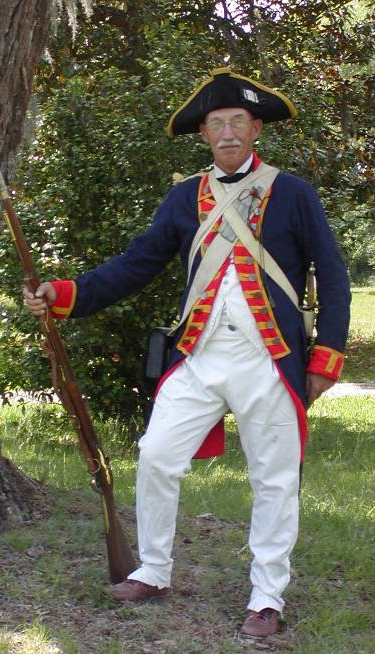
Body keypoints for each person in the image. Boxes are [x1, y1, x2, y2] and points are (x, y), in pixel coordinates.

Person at [24, 68, 351, 638]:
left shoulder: (293, 192)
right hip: (199, 356)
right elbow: (136, 264)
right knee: (155, 455)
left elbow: (334, 274)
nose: (227, 132)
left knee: (275, 479)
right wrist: (67, 294)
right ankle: (153, 569)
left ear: (255, 130)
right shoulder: (184, 198)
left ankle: (266, 596)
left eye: (238, 122)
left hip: (269, 360)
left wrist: (325, 356)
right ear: (204, 135)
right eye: (216, 124)